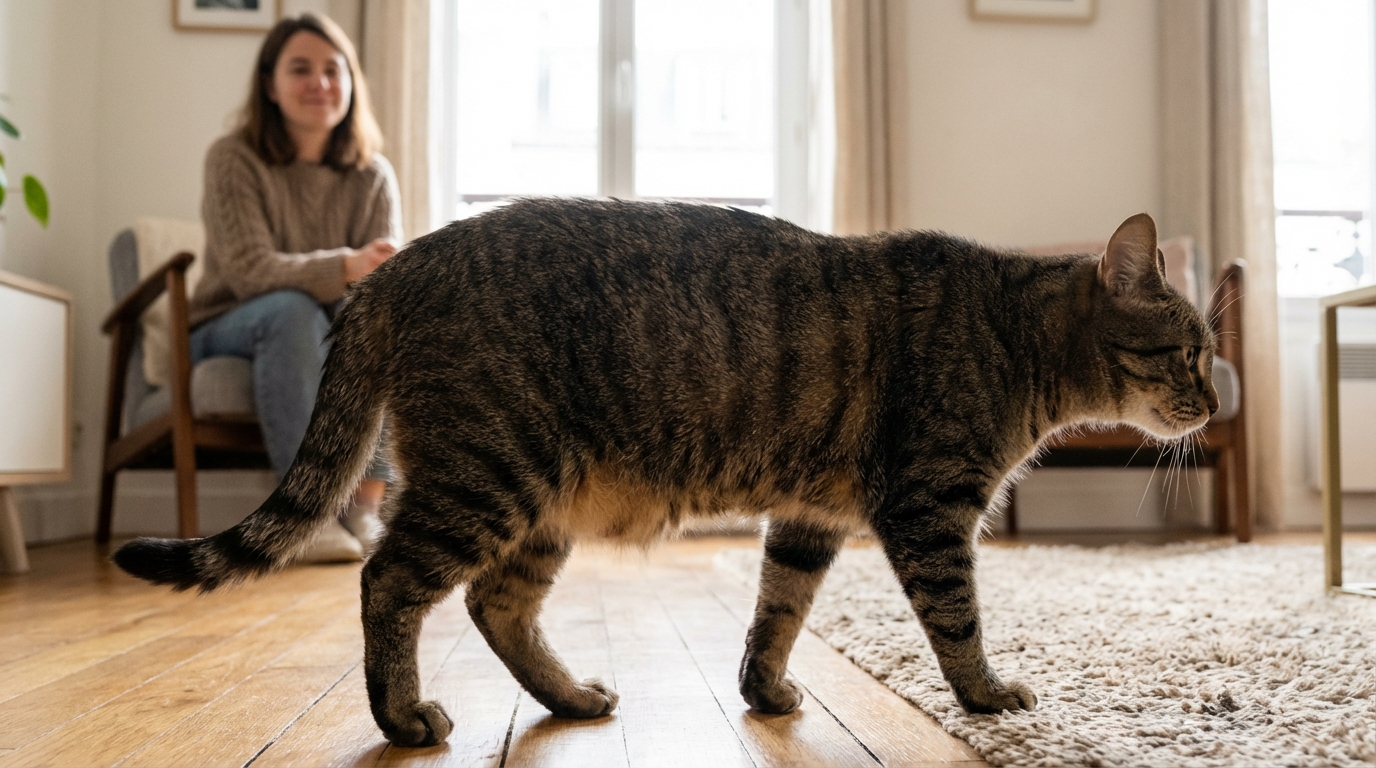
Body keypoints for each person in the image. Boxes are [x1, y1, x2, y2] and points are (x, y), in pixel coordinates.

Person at [188, 13, 398, 562]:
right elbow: (249, 271)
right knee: (291, 310)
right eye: (300, 69)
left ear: (351, 83)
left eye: (333, 70)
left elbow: (381, 288)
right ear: (269, 84)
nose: (319, 83)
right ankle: (305, 515)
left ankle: (366, 507)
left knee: (382, 321)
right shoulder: (232, 158)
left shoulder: (373, 175)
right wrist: (347, 265)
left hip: (322, 325)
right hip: (227, 323)